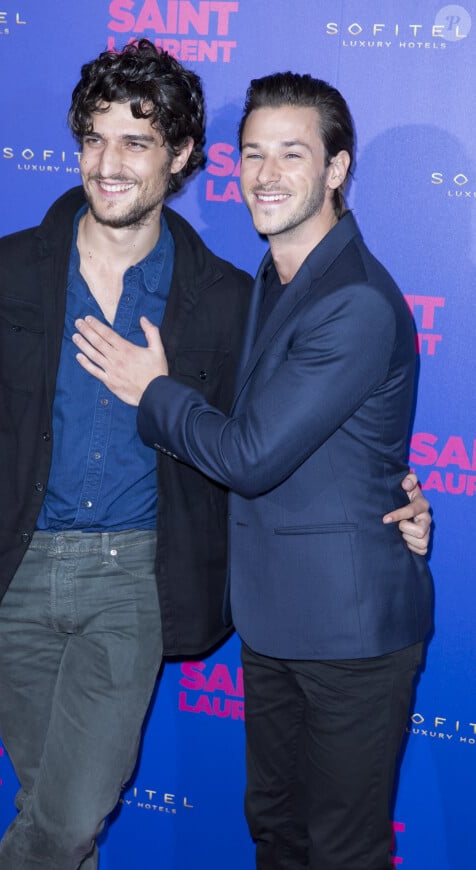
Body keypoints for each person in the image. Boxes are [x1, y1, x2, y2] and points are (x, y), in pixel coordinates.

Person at [0, 41, 430, 870]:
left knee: (74, 806)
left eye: (136, 142)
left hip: (134, 579)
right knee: (49, 801)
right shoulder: (2, 271)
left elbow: (268, 438)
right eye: (94, 139)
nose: (108, 163)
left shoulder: (227, 297)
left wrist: (393, 488)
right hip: (9, 569)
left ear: (181, 156)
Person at [73, 70, 434, 870]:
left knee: (340, 852)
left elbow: (248, 455)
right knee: (277, 834)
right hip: (276, 622)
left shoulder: (355, 302)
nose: (266, 176)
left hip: (349, 632)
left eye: (292, 155)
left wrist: (151, 390)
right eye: (252, 155)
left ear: (336, 170)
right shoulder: (276, 280)